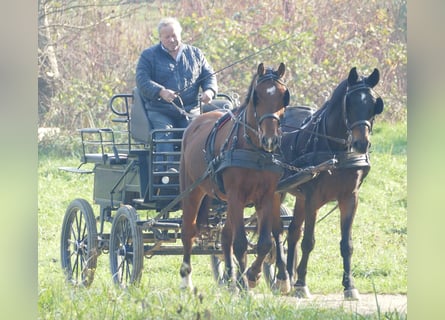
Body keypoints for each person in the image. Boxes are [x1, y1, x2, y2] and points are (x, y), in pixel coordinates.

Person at [135, 17, 217, 173]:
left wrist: (209, 91)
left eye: (174, 35)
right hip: (160, 110)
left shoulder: (195, 54)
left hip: (190, 109)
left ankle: (201, 173)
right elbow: (141, 80)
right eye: (167, 37)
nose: (172, 40)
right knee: (165, 135)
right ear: (160, 38)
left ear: (180, 34)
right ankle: (167, 174)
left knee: (200, 136)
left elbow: (209, 75)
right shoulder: (149, 55)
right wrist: (160, 91)